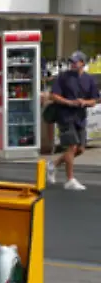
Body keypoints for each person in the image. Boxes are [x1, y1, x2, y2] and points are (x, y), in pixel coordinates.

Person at [47, 51, 99, 191]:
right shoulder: (63, 77)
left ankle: (53, 165)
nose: (72, 64)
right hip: (65, 116)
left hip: (80, 117)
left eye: (75, 61)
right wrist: (69, 102)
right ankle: (70, 180)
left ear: (82, 63)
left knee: (80, 149)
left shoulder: (89, 79)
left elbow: (94, 100)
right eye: (71, 61)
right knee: (72, 146)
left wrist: (84, 102)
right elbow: (53, 96)